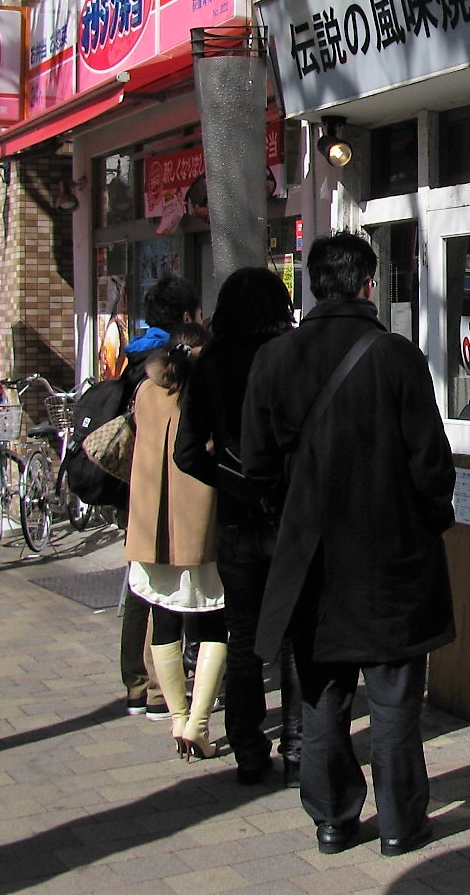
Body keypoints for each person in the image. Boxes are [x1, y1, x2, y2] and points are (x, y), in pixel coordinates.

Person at [243, 231, 456, 858]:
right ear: (368, 286)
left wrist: (288, 514)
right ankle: (400, 823)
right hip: (391, 558)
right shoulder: (397, 357)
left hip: (310, 559)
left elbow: (255, 465)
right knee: (393, 699)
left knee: (322, 696)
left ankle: (333, 820)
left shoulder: (274, 359)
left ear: (315, 287)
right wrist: (430, 523)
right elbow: (431, 464)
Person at [174, 266, 300, 785]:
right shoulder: (291, 355)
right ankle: (299, 747)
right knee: (294, 635)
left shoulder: (210, 364)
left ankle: (249, 748)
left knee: (244, 636)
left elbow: (186, 452)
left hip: (236, 521)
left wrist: (227, 478)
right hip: (290, 514)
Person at [126, 321, 227, 760]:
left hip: (152, 528)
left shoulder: (146, 393)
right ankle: (198, 725)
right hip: (201, 529)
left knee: (163, 621)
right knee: (214, 623)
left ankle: (176, 719)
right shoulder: (210, 394)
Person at [120, 275, 202, 719]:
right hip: (166, 488)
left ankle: (136, 683)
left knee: (140, 587)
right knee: (162, 593)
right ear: (187, 317)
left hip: (139, 485)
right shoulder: (171, 362)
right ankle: (158, 692)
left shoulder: (134, 355)